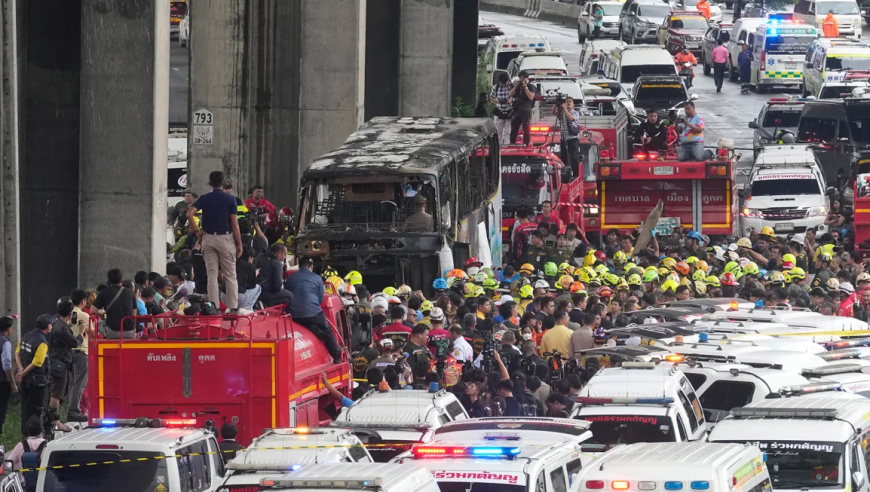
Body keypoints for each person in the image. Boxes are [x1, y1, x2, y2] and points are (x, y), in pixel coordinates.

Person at [188, 170, 242, 313]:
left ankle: (214, 308)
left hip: (207, 238)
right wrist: (239, 243)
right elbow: (234, 224)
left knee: (211, 275)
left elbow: (190, 213)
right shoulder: (231, 200)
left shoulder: (204, 198)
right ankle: (232, 308)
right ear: (223, 183)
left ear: (210, 183)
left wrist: (196, 231)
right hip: (225, 238)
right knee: (230, 275)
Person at [284, 257, 342, 361]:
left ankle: (311, 327)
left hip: (293, 315)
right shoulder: (317, 278)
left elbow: (287, 296)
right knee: (327, 331)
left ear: (299, 266)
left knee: (303, 321)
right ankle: (337, 357)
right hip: (313, 313)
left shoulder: (290, 279)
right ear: (311, 267)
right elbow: (320, 300)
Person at [17, 315, 52, 435]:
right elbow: (38, 362)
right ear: (48, 327)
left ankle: (25, 435)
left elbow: (17, 352)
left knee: (26, 409)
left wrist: (21, 369)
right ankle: (34, 437)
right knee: (35, 410)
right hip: (37, 382)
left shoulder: (26, 335)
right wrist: (24, 372)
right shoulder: (42, 342)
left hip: (26, 381)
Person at [49, 297, 78, 430]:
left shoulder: (55, 321)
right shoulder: (62, 329)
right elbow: (75, 343)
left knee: (58, 394)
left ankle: (55, 420)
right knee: (56, 395)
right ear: (71, 313)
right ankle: (55, 422)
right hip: (60, 363)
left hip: (55, 360)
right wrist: (81, 331)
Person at [90, 268, 136, 338]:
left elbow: (92, 311)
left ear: (108, 281)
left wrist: (104, 312)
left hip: (112, 332)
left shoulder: (104, 292)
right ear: (122, 280)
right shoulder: (131, 293)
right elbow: (133, 315)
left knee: (95, 323)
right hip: (131, 332)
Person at [68, 290, 89, 421]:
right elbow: (93, 332)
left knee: (72, 383)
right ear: (83, 301)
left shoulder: (68, 315)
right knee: (80, 384)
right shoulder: (84, 315)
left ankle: (71, 409)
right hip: (81, 351)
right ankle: (75, 411)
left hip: (69, 352)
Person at [256, 244, 294, 311]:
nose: (285, 257)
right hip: (265, 291)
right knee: (290, 296)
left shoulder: (260, 256)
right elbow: (277, 285)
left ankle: (260, 302)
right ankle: (266, 304)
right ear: (279, 254)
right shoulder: (276, 263)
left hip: (254, 290)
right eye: (284, 254)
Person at [554, 97, 583, 179]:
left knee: (574, 157)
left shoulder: (575, 113)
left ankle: (576, 175)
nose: (568, 103)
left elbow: (570, 118)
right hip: (564, 138)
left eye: (570, 101)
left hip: (573, 138)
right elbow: (553, 113)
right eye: (566, 101)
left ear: (573, 104)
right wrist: (555, 105)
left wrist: (564, 108)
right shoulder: (562, 112)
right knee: (564, 157)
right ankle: (566, 175)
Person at [509, 71, 537, 146]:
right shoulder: (518, 87)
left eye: (523, 78)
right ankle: (512, 142)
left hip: (526, 108)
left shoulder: (531, 86)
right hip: (517, 109)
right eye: (520, 78)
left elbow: (531, 97)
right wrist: (516, 86)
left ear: (527, 78)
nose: (522, 80)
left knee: (526, 127)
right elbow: (510, 94)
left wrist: (525, 88)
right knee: (514, 127)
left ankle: (526, 143)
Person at [0, 317, 15, 433]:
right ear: (9, 329)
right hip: (2, 382)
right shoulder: (5, 342)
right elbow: (6, 365)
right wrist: (12, 382)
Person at [490, 72, 514, 144]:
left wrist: (511, 100)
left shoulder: (511, 87)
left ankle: (507, 145)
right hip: (499, 112)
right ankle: (499, 145)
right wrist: (497, 100)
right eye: (504, 83)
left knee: (508, 131)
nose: (505, 84)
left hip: (509, 111)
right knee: (498, 131)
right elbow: (491, 97)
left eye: (506, 82)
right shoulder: (496, 87)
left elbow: (515, 95)